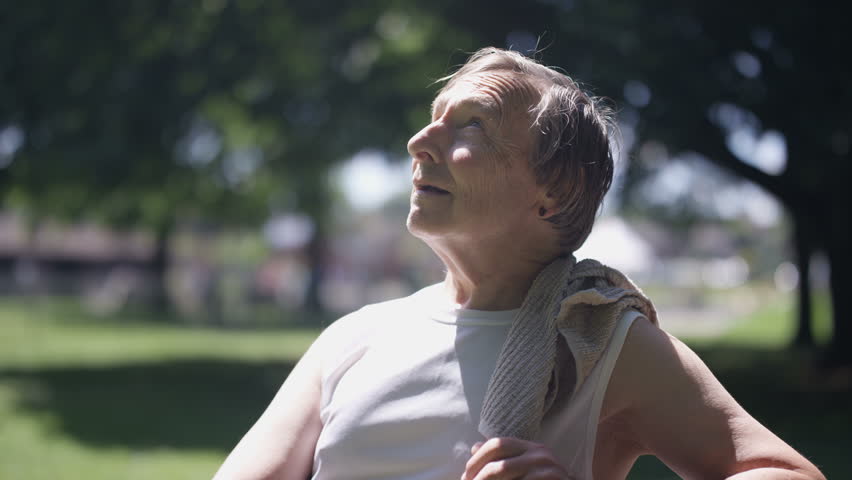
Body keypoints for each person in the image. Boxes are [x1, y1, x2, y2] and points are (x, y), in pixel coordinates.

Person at [213, 47, 825, 480]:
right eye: (432, 121)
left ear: (553, 189)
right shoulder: (351, 338)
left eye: (471, 127)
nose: (419, 143)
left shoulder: (605, 341)